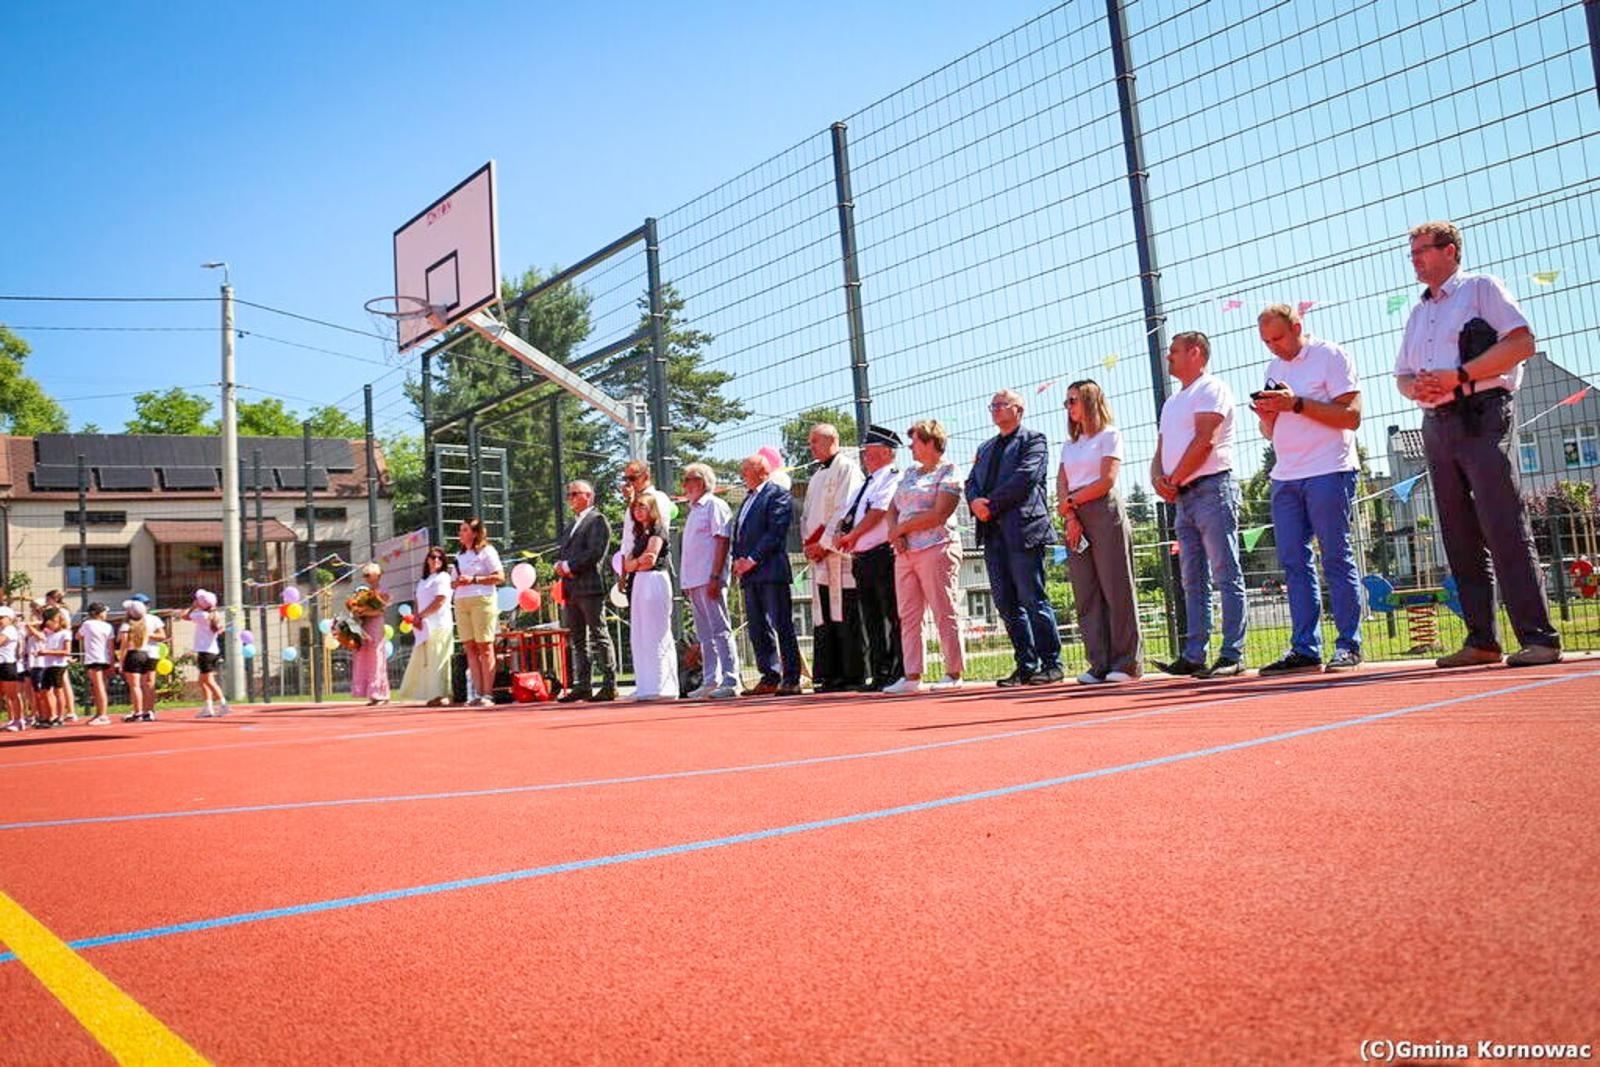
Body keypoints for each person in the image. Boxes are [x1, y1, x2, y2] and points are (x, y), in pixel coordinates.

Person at [1396, 219, 1561, 668]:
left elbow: (1522, 342)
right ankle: (1481, 640)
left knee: (1501, 522)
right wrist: (1418, 389)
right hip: (1436, 422)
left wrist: (1461, 375)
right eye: (1411, 252)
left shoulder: (1482, 289)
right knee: (1458, 533)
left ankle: (1539, 638)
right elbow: (1402, 376)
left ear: (1450, 250)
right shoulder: (1417, 312)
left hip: (1483, 411)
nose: (1414, 259)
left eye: (1422, 250)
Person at [1252, 305, 1365, 675]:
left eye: (1279, 338)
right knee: (1293, 563)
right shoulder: (1274, 369)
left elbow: (1352, 416)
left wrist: (1296, 403)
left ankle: (1349, 645)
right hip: (1285, 475)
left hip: (1329, 469)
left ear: (1297, 326)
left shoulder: (1330, 355)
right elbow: (1271, 432)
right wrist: (1268, 417)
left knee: (1335, 556)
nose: (1273, 347)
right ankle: (1305, 648)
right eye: (1266, 341)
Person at [1152, 331, 1246, 679]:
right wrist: (1157, 478)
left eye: (1173, 351)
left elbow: (1204, 441)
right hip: (1184, 496)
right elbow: (1161, 449)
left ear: (1196, 352)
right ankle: (1194, 654)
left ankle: (1232, 653)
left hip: (1212, 489)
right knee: (1192, 579)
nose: (1168, 357)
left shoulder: (1212, 389)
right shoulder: (1172, 402)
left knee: (1225, 573)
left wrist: (1172, 479)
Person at [965, 389, 1064, 687]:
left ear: (1019, 409)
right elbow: (971, 482)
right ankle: (1025, 664)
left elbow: (1025, 477)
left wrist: (990, 504)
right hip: (992, 532)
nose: (995, 409)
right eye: (991, 405)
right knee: (1006, 602)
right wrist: (973, 503)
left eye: (1001, 404)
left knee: (1032, 597)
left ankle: (1051, 664)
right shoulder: (985, 448)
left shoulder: (1034, 440)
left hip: (1022, 529)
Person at [1056, 380, 1143, 685]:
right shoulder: (1069, 445)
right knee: (1086, 591)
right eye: (1067, 401)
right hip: (1074, 515)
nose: (1068, 407)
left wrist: (1072, 502)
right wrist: (1069, 515)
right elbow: (1062, 481)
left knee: (1115, 586)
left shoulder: (1110, 435)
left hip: (1102, 509)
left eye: (1074, 400)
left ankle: (1127, 662)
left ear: (1091, 401)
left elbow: (1107, 479)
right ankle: (1099, 663)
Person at [883, 420, 966, 694]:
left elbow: (939, 513)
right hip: (906, 552)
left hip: (937, 547)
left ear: (931, 443)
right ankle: (912, 675)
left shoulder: (950, 471)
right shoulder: (909, 473)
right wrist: (895, 533)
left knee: (944, 609)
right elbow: (892, 508)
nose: (911, 447)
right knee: (908, 614)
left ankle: (953, 672)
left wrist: (903, 528)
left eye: (916, 441)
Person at [836, 425, 905, 691]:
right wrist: (844, 534)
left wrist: (852, 535)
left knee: (890, 614)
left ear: (888, 453)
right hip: (861, 557)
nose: (866, 457)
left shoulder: (892, 477)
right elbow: (850, 513)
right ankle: (879, 672)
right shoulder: (866, 483)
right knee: (871, 618)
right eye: (865, 453)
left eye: (871, 452)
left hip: (882, 554)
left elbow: (879, 511)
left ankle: (896, 670)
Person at [800, 423, 866, 692]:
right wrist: (809, 544)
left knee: (846, 610)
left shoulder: (847, 468)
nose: (811, 445)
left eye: (815, 440)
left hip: (840, 555)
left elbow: (845, 509)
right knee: (825, 614)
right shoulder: (816, 476)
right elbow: (806, 515)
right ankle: (830, 673)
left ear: (832, 440)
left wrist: (825, 543)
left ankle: (852, 673)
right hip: (820, 557)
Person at [732, 453, 803, 696]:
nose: (742, 475)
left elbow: (775, 533)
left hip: (771, 571)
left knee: (781, 624)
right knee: (757, 627)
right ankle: (769, 676)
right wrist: (737, 560)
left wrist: (751, 559)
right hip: (749, 575)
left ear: (762, 472)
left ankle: (792, 677)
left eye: (746, 470)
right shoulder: (747, 499)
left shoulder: (777, 494)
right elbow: (740, 533)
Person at [679, 464, 740, 700]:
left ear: (702, 482)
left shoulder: (714, 505)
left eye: (689, 479)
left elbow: (722, 541)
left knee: (720, 629)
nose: (684, 484)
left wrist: (716, 576)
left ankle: (730, 679)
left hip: (709, 578)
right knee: (704, 634)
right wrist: (686, 582)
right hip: (694, 582)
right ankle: (710, 680)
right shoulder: (694, 510)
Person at [553, 481, 616, 703]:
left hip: (589, 587)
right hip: (571, 589)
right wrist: (559, 565)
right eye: (568, 494)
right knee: (578, 639)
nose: (570, 498)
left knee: (599, 634)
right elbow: (563, 551)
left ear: (589, 496)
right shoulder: (572, 525)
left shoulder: (598, 520)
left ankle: (609, 684)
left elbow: (595, 552)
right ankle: (583, 685)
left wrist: (569, 566)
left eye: (575, 494)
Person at [620, 493, 678, 702]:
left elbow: (651, 559)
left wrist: (635, 563)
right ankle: (646, 685)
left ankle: (664, 686)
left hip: (655, 580)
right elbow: (628, 564)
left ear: (652, 508)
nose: (638, 510)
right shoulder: (639, 533)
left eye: (643, 506)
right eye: (636, 507)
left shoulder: (657, 529)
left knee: (656, 632)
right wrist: (635, 563)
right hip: (639, 582)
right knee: (641, 633)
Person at [453, 517, 504, 707]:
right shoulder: (459, 556)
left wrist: (474, 579)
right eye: (460, 529)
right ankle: (477, 693)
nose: (461, 533)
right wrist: (457, 582)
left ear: (475, 533)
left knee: (485, 647)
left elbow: (499, 576)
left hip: (482, 600)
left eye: (465, 529)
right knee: (470, 648)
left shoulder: (487, 551)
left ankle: (488, 694)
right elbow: (452, 582)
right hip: (461, 601)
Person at [399, 546, 455, 706]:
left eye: (439, 558)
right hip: (424, 627)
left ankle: (443, 694)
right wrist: (417, 617)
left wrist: (421, 616)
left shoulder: (443, 577)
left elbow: (440, 600)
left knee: (439, 659)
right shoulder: (423, 580)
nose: (436, 560)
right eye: (432, 557)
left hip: (440, 625)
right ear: (427, 560)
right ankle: (432, 694)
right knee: (427, 662)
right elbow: (417, 601)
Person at [349, 563, 392, 706]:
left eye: (369, 575)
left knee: (376, 657)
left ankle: (381, 693)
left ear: (377, 575)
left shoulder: (383, 590)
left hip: (376, 625)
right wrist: (356, 611)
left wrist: (364, 611)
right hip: (365, 625)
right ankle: (373, 694)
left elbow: (381, 610)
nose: (366, 578)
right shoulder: (365, 592)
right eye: (365, 575)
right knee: (366, 658)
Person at [189, 588, 230, 717]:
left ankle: (223, 703)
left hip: (205, 652)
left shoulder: (201, 615)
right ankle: (208, 707)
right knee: (203, 681)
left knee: (208, 681)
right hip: (211, 651)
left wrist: (193, 606)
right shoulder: (214, 614)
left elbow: (185, 616)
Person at [77, 602, 115, 724]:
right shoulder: (108, 626)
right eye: (104, 611)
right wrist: (112, 662)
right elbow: (111, 646)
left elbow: (78, 636)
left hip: (94, 658)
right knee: (99, 686)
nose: (105, 614)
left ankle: (103, 715)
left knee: (98, 687)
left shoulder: (87, 624)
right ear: (97, 613)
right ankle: (99, 713)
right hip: (104, 658)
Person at [35, 606, 72, 726]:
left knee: (58, 690)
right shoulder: (49, 634)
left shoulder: (65, 633)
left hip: (58, 666)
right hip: (48, 666)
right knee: (45, 690)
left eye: (50, 623)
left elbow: (66, 652)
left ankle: (60, 717)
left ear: (57, 621)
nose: (47, 626)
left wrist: (47, 652)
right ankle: (51, 715)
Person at [118, 599, 153, 722]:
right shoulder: (145, 625)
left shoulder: (126, 626)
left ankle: (137, 712)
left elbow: (124, 645)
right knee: (144, 685)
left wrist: (121, 661)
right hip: (145, 654)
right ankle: (147, 711)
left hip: (133, 655)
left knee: (135, 686)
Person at [0, 606, 24, 732]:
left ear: (9, 618)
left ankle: (18, 720)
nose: (0, 620)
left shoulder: (9, 629)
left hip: (7, 665)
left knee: (12, 695)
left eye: (2, 618)